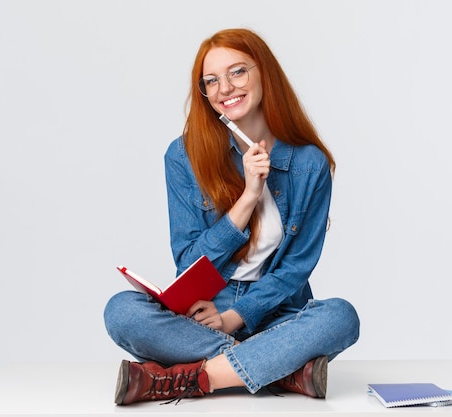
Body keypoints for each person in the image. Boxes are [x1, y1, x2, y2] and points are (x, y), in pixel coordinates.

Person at [104, 27, 360, 405]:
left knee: (341, 317)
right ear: (204, 93)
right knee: (121, 312)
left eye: (237, 72)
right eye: (211, 81)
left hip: (275, 313)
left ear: (264, 74)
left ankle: (194, 378)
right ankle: (283, 369)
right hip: (202, 314)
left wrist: (234, 319)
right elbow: (188, 263)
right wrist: (247, 199)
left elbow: (295, 270)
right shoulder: (183, 156)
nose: (225, 88)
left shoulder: (310, 164)